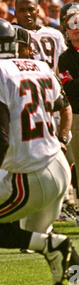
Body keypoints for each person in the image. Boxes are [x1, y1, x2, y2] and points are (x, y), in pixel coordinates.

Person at [0, 17, 79, 285]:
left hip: (28, 175)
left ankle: (54, 246)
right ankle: (76, 278)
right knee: (37, 234)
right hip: (58, 167)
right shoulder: (39, 67)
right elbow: (62, 105)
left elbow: (0, 141)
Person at [14, 0, 77, 222]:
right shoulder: (9, 32)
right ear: (15, 11)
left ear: (38, 9)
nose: (28, 14)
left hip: (52, 98)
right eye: (22, 10)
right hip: (24, 99)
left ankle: (61, 201)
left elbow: (60, 66)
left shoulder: (54, 34)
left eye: (31, 9)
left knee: (61, 153)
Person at [58, 2, 79, 225]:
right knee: (77, 163)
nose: (77, 28)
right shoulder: (64, 58)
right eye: (73, 25)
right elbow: (69, 87)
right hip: (77, 113)